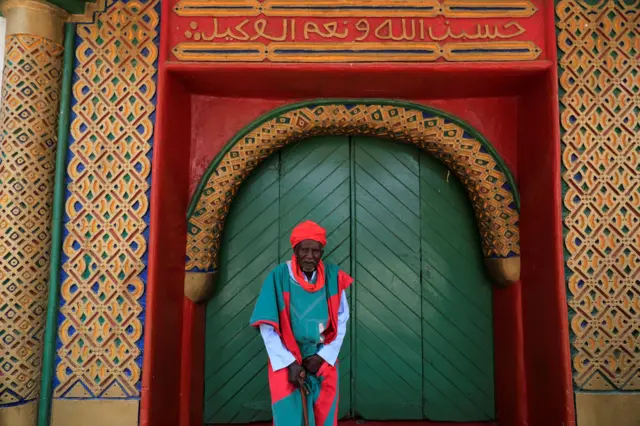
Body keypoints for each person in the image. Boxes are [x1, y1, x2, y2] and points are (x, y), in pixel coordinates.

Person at [250, 220, 353, 426]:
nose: (310, 256)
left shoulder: (333, 277)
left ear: (322, 252)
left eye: (315, 251)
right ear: (295, 250)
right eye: (304, 250)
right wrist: (289, 363)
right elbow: (267, 326)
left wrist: (321, 356)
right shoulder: (278, 277)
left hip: (322, 358)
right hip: (286, 358)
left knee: (325, 413)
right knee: (288, 415)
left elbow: (341, 319)